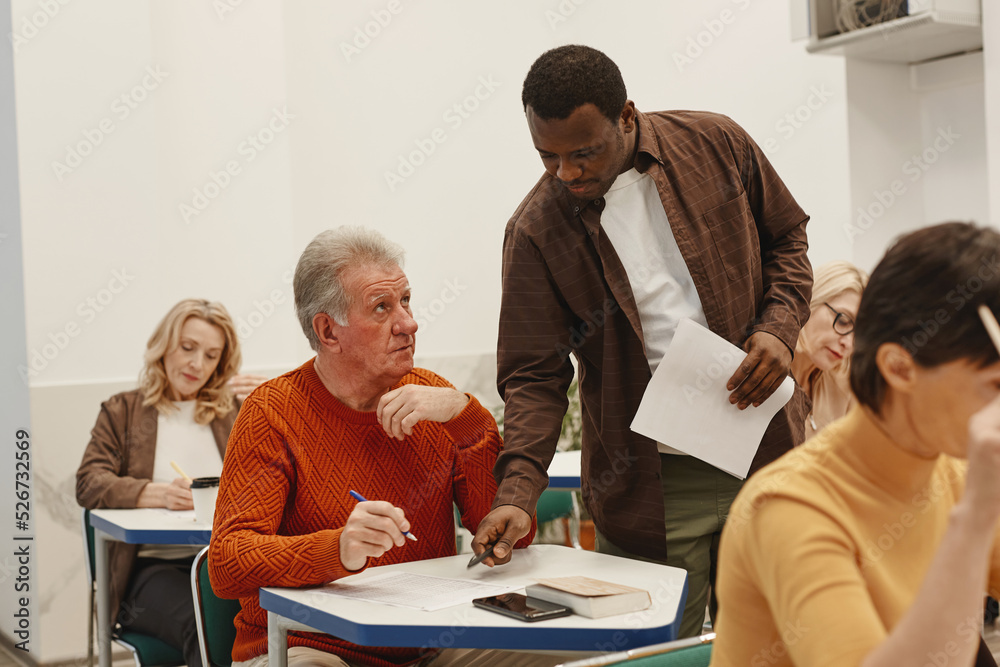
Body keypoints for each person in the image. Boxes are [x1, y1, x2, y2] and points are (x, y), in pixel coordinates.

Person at [472, 44, 813, 638]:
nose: (566, 172)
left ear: (627, 116)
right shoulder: (536, 230)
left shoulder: (716, 144)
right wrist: (519, 492)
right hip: (648, 487)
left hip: (766, 454)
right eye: (548, 156)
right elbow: (534, 377)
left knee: (777, 646)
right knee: (657, 654)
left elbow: (787, 238)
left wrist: (779, 328)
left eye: (584, 152)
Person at [209, 227, 580, 667]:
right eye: (382, 307)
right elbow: (228, 564)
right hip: (310, 646)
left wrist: (467, 416)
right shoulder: (271, 411)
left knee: (571, 652)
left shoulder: (434, 400)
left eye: (406, 300)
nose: (409, 323)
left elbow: (510, 542)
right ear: (328, 331)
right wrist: (338, 549)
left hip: (429, 642)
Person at [710, 222, 1000, 667]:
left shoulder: (953, 472)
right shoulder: (790, 507)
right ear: (899, 369)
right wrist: (975, 520)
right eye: (994, 384)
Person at [76, 298, 265, 667]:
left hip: (223, 563)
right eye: (187, 347)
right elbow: (89, 482)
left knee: (274, 618)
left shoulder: (233, 412)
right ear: (164, 346)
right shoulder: (122, 411)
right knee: (209, 624)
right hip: (150, 570)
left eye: (211, 355)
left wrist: (273, 401)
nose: (197, 364)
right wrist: (158, 494)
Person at [790, 260, 868, 438]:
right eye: (843, 321)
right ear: (810, 302)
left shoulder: (845, 388)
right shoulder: (765, 365)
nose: (849, 344)